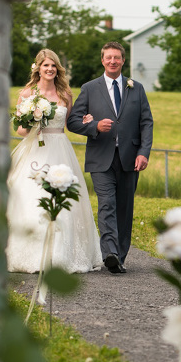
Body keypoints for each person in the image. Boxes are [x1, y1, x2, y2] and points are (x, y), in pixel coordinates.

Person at [6, 49, 103, 274]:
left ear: (57, 69)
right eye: (45, 66)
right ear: (38, 68)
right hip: (36, 150)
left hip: (60, 148)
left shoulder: (65, 94)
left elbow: (71, 124)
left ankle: (61, 256)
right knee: (33, 196)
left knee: (64, 200)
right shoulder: (27, 94)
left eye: (53, 66)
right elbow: (20, 130)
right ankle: (32, 254)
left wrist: (87, 120)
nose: (49, 69)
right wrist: (32, 119)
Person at [67, 41, 154, 274]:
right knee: (107, 204)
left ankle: (120, 257)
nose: (113, 61)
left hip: (129, 159)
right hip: (100, 158)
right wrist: (95, 126)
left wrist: (143, 153)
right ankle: (110, 253)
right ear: (102, 60)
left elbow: (146, 122)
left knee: (124, 209)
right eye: (108, 57)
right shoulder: (89, 88)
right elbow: (73, 121)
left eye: (117, 57)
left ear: (123, 60)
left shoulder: (136, 88)